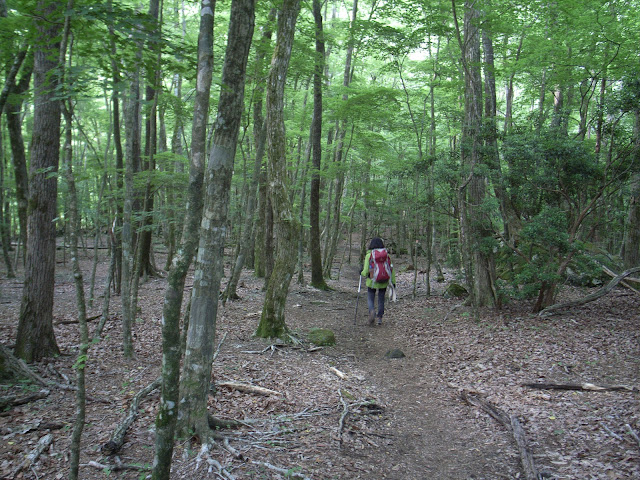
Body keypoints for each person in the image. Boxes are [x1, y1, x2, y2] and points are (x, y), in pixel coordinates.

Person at [361, 237, 395, 326]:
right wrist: (393, 282)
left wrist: (361, 272)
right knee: (381, 298)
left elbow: (365, 271)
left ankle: (371, 311)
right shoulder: (387, 255)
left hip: (372, 281)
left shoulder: (369, 255)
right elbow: (391, 269)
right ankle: (379, 317)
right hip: (384, 281)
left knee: (370, 297)